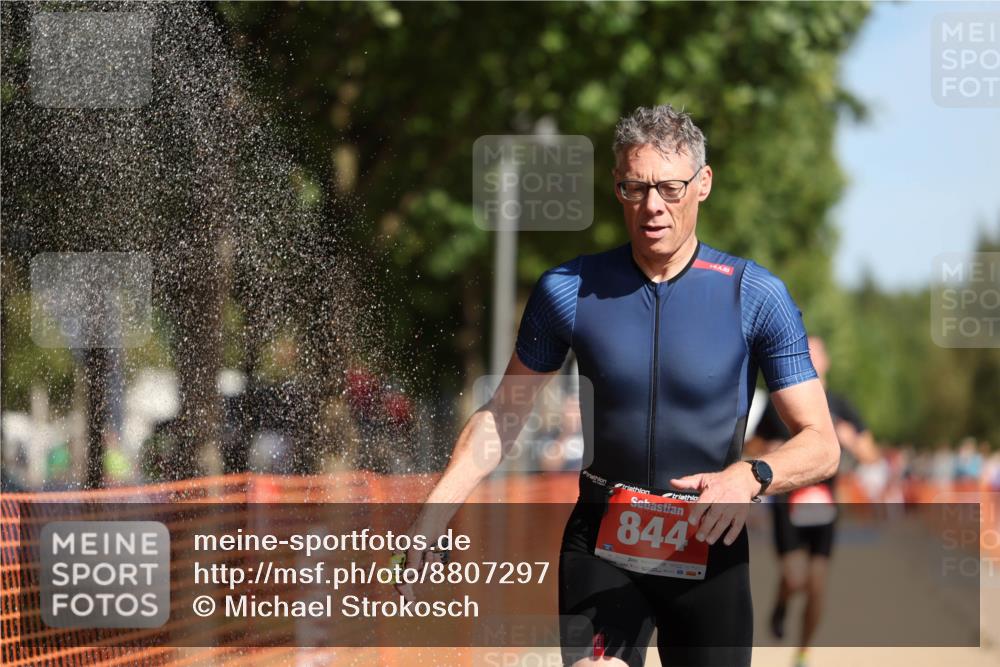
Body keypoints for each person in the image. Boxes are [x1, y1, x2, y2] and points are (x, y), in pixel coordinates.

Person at [398, 104, 839, 667]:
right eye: (635, 187)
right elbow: (504, 415)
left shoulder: (754, 296)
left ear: (703, 184)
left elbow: (821, 442)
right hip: (603, 540)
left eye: (670, 188)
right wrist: (436, 510)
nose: (653, 205)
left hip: (709, 542)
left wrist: (751, 477)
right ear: (617, 187)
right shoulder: (568, 289)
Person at [747, 336, 878, 667]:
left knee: (817, 586)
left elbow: (872, 455)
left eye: (817, 353)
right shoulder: (783, 403)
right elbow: (751, 448)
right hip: (786, 503)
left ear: (827, 361)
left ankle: (803, 652)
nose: (812, 358)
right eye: (806, 353)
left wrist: (849, 439)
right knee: (795, 579)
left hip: (825, 505)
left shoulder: (842, 406)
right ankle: (781, 604)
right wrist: (770, 450)